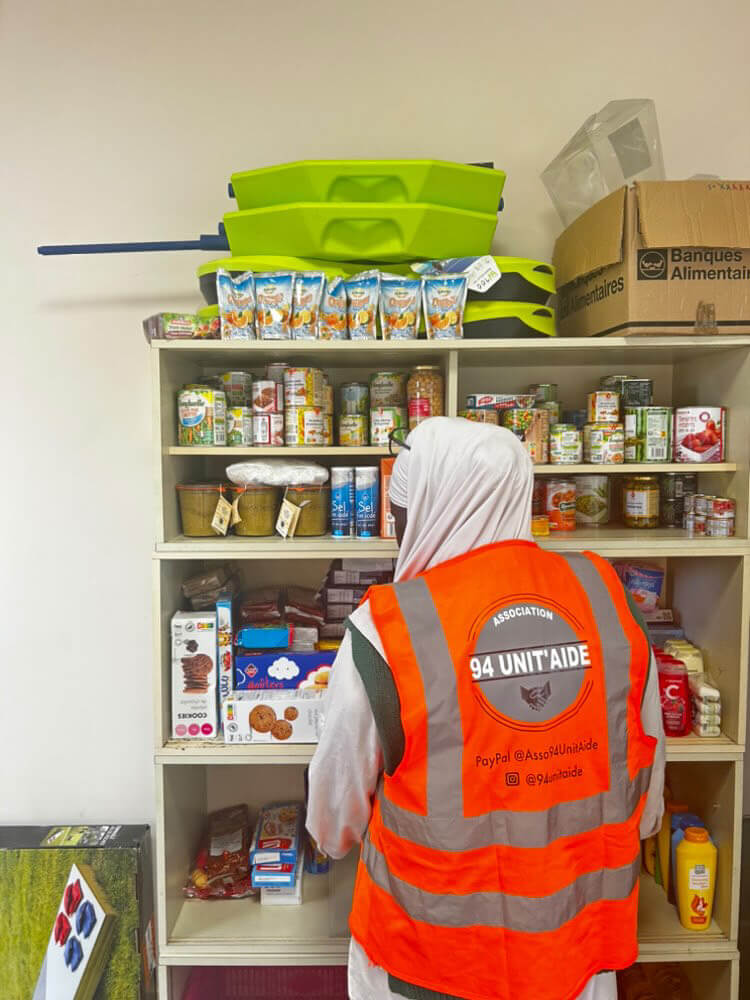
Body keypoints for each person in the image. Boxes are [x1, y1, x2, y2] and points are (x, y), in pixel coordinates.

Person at [307, 417, 665, 1000]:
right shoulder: (606, 597)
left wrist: (327, 840)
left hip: (427, 965)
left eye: (401, 513)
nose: (398, 531)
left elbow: (335, 815)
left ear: (435, 506)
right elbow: (645, 785)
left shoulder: (388, 626)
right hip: (576, 956)